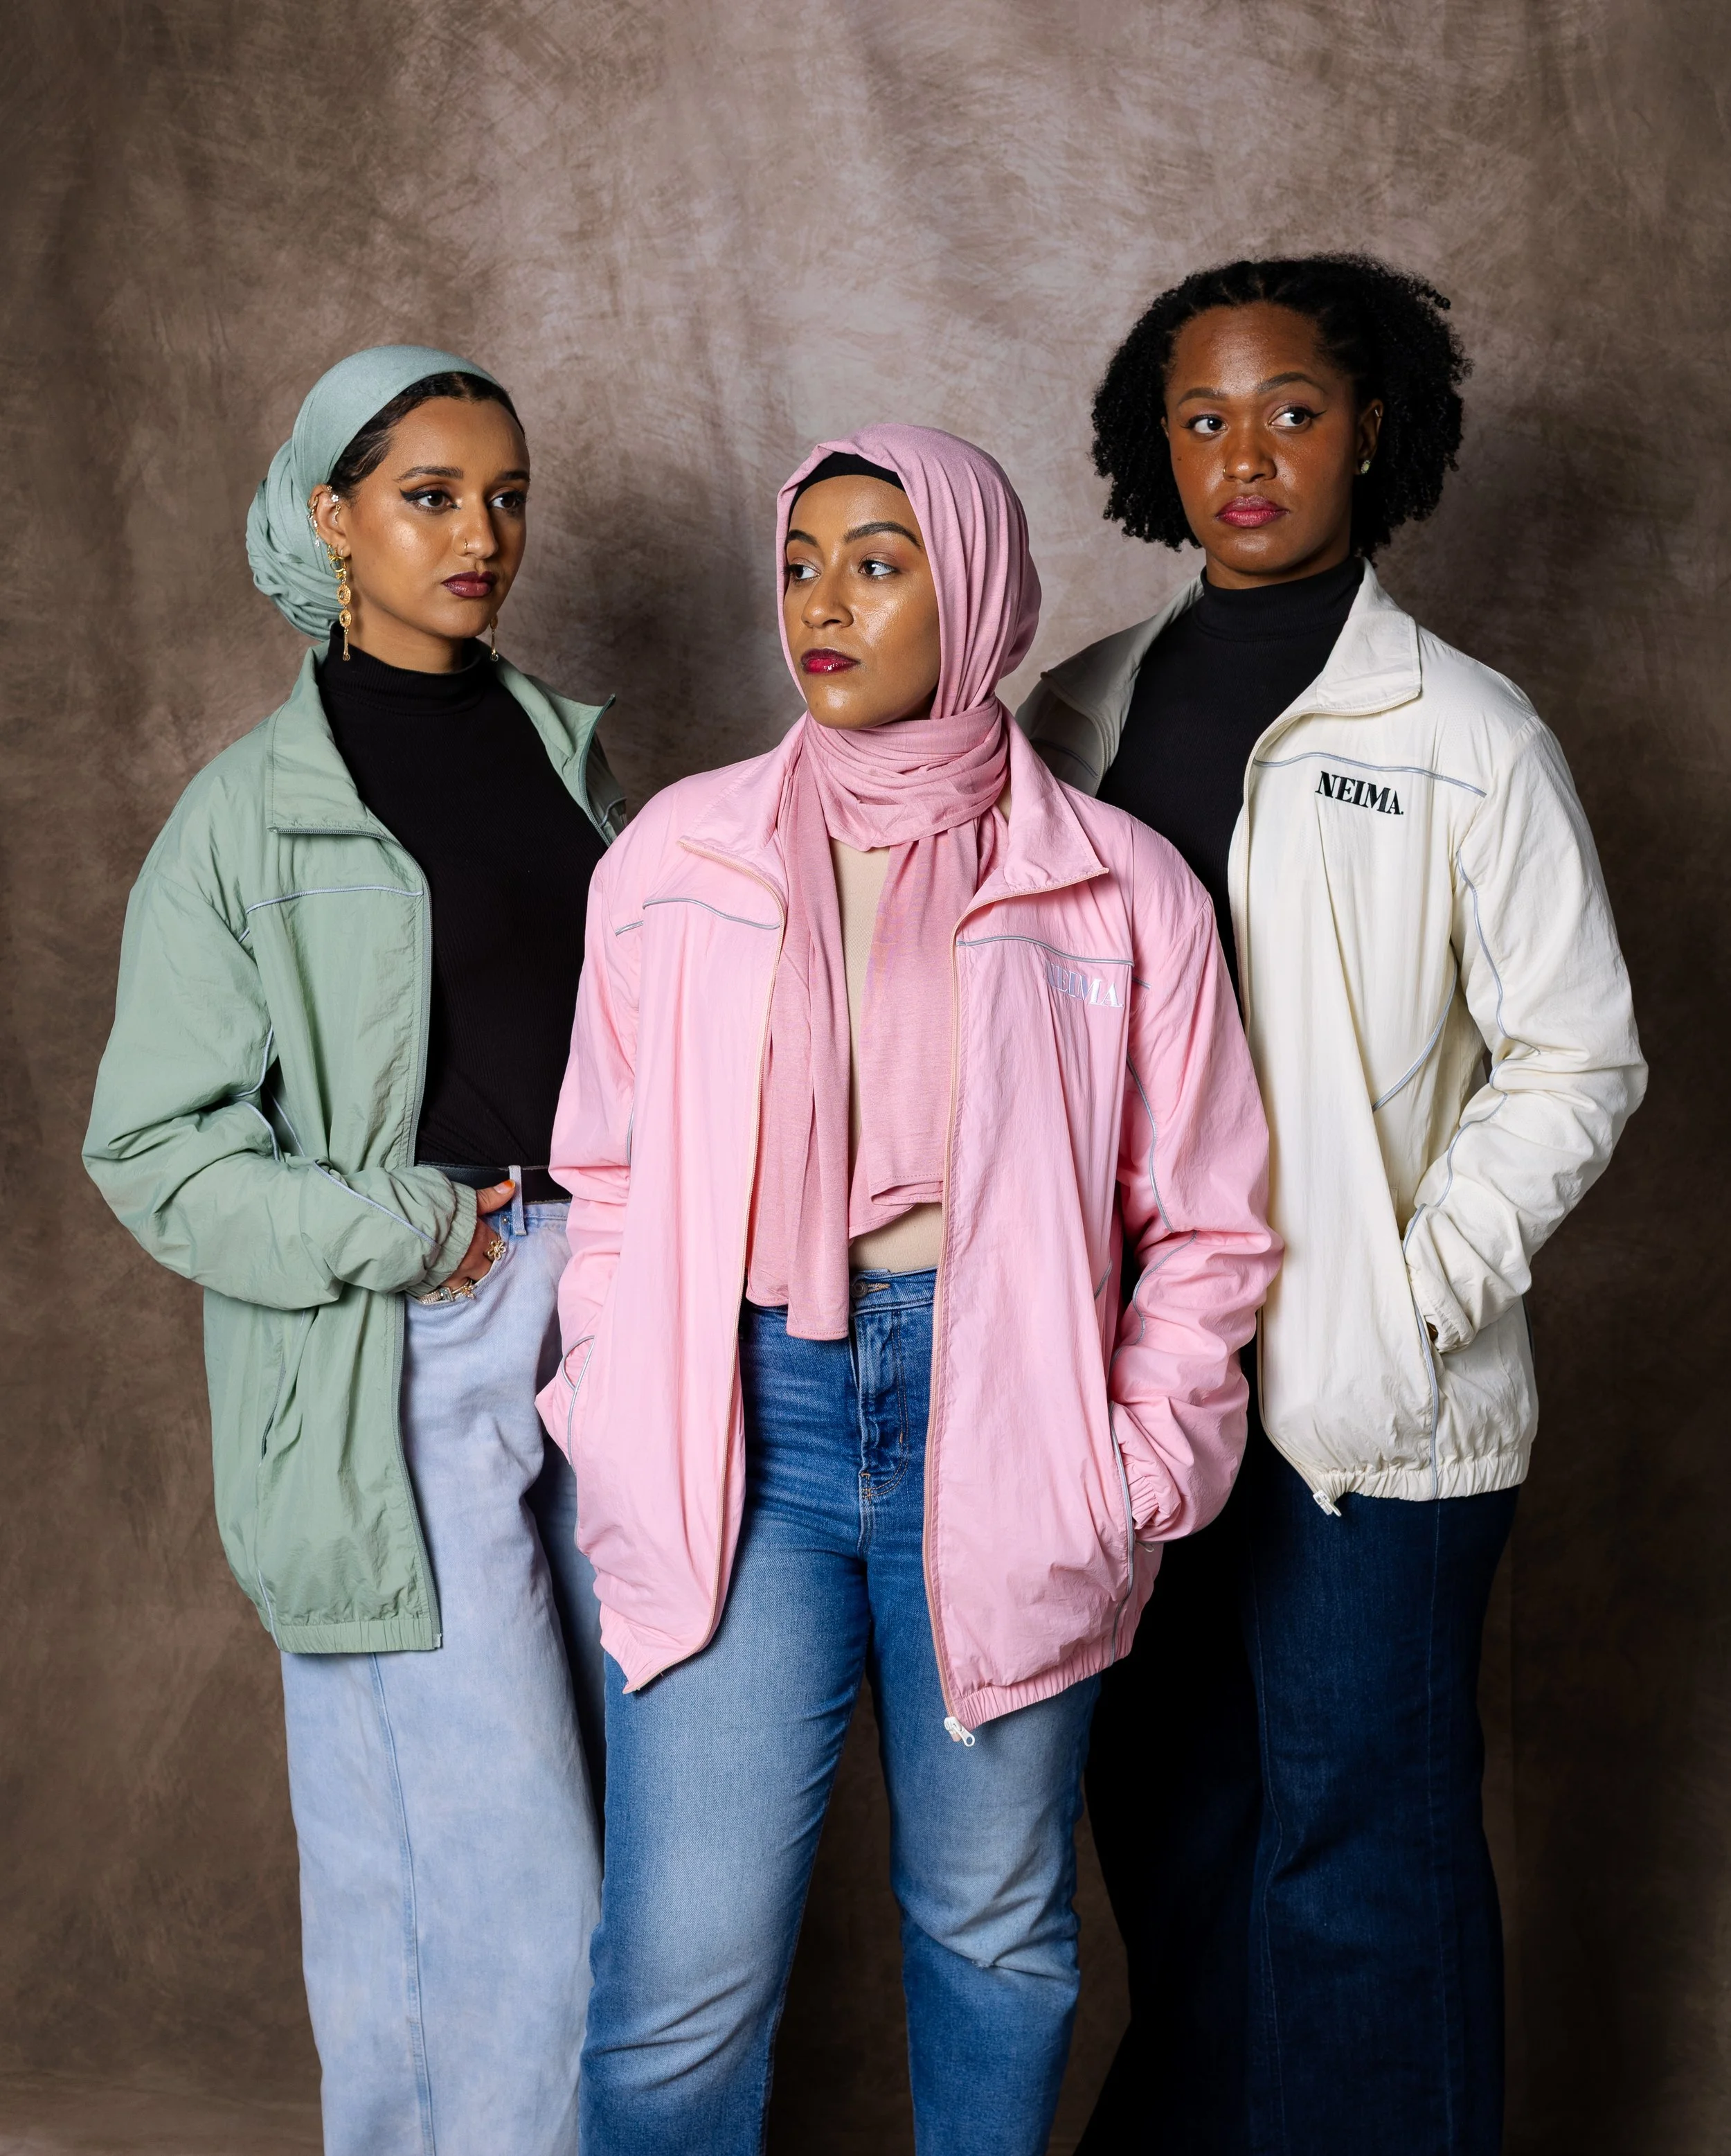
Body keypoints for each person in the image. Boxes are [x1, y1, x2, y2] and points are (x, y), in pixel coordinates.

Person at [537, 422, 1280, 2155]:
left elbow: (1210, 1221)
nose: (822, 600)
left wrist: (1129, 1463)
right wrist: (615, 1412)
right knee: (675, 1988)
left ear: (978, 591)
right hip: (746, 1421)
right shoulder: (672, 855)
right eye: (800, 561)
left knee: (995, 1940)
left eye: (877, 561)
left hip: (1006, 1416)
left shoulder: (1119, 881)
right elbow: (613, 1177)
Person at [1019, 256, 1647, 2155]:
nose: (1243, 456)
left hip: (1368, 1416)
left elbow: (1577, 1056)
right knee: (1178, 1830)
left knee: (1355, 1864)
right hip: (1143, 1376)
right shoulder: (1079, 712)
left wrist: (1405, 1291)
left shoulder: (1464, 734)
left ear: (1368, 428)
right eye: (1198, 420)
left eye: (1287, 409)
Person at [84, 345, 623, 2156]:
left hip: (610, 1329)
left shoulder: (565, 752)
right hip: (412, 1344)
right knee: (498, 1874)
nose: (480, 535)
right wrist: (406, 1233)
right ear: (329, 519)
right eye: (427, 497)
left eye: (505, 496)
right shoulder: (247, 814)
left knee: (611, 1865)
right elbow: (154, 1148)